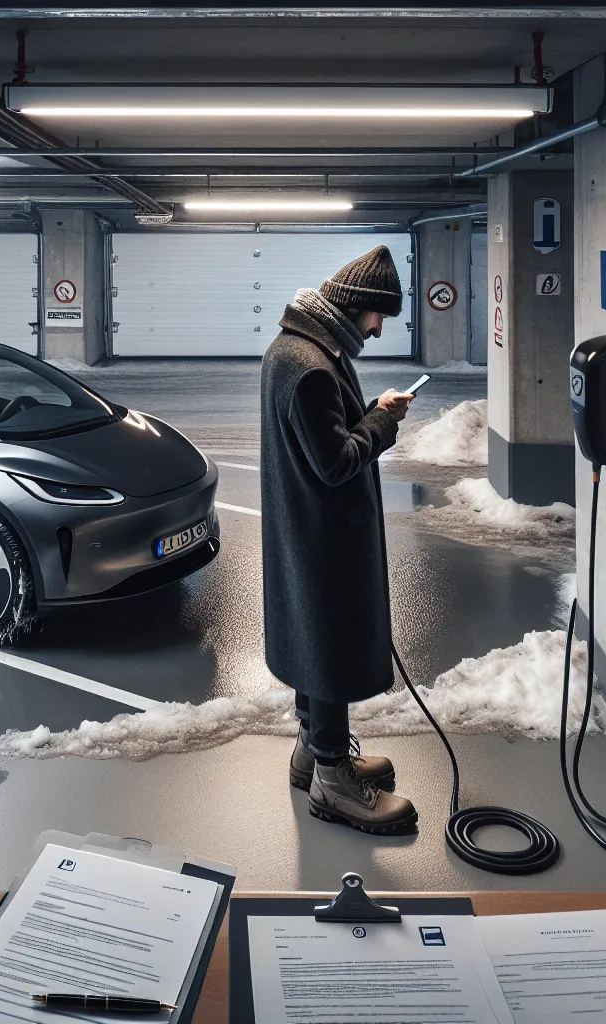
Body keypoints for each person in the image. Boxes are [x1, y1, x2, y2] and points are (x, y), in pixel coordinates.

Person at [259, 244, 418, 836]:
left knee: (311, 637)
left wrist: (371, 410)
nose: (378, 329)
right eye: (378, 315)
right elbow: (336, 462)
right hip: (324, 536)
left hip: (303, 526)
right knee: (327, 647)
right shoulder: (312, 368)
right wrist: (382, 422)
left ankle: (311, 750)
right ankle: (332, 780)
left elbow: (320, 438)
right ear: (356, 305)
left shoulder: (296, 348)